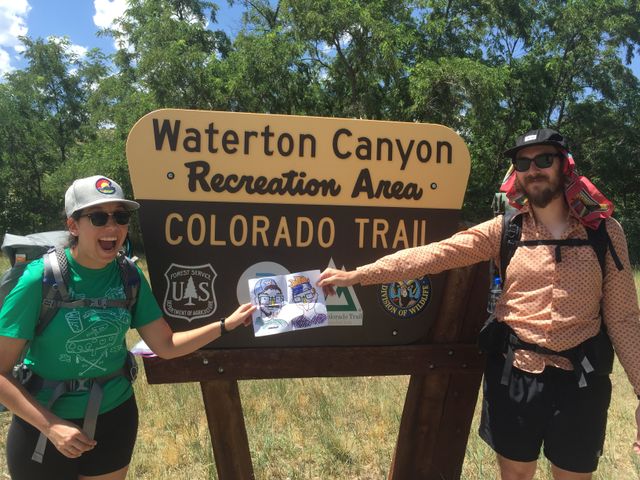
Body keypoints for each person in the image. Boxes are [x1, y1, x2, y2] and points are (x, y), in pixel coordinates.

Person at [318, 129, 640, 480]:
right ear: (515, 173)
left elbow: (624, 317)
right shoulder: (506, 230)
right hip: (514, 372)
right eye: (523, 162)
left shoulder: (605, 233)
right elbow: (436, 255)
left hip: (581, 379)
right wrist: (361, 275)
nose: (533, 169)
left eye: (544, 159)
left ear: (565, 166)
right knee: (515, 475)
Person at [0, 175, 256, 480]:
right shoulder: (38, 281)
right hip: (43, 425)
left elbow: (166, 345)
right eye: (98, 217)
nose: (113, 227)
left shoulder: (128, 276)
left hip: (114, 418)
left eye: (120, 217)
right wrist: (50, 425)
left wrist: (226, 324)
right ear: (73, 226)